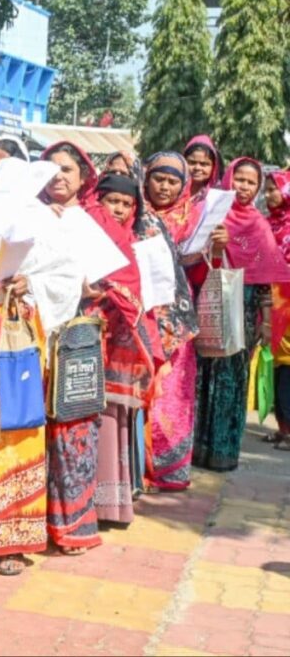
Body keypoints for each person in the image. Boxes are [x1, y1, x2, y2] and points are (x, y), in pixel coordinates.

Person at [0, 135, 78, 575]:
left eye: (6, 168)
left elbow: (67, 275)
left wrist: (28, 285)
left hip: (18, 339)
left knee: (16, 429)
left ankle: (13, 538)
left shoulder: (41, 220)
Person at [194, 157, 289, 471]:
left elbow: (266, 279)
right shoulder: (211, 214)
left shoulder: (260, 224)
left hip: (245, 312)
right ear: (228, 179)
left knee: (233, 379)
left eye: (251, 182)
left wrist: (265, 323)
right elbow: (194, 257)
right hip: (212, 301)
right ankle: (199, 448)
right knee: (205, 375)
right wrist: (217, 249)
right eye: (239, 179)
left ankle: (223, 452)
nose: (244, 187)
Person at [39, 141, 107, 553]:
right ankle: (30, 526)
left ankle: (73, 526)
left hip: (75, 340)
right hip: (29, 336)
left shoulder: (91, 223)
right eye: (51, 169)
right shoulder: (28, 216)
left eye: (67, 169)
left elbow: (111, 280)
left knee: (73, 429)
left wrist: (93, 288)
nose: (58, 176)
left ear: (84, 176)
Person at [89, 174, 160, 527]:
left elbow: (149, 298)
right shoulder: (84, 232)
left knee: (113, 422)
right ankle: (87, 505)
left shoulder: (136, 245)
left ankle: (112, 505)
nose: (117, 209)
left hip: (121, 349)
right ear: (97, 199)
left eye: (126, 204)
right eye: (111, 200)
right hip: (86, 341)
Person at [139, 153, 203, 491]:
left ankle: (171, 468)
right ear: (146, 178)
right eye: (158, 178)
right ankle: (141, 466)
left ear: (183, 186)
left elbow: (195, 265)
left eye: (172, 181)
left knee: (174, 391)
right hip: (143, 312)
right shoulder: (134, 212)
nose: (164, 187)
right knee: (145, 385)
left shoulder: (193, 218)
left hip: (177, 318)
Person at [263, 170, 290, 450]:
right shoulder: (267, 223)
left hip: (288, 305)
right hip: (271, 302)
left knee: (288, 366)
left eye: (274, 189)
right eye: (267, 189)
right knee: (278, 366)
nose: (269, 195)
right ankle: (282, 428)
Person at [183, 134, 224, 203]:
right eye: (192, 162)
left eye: (204, 164)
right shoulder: (173, 191)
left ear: (214, 167)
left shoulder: (219, 196)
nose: (197, 168)